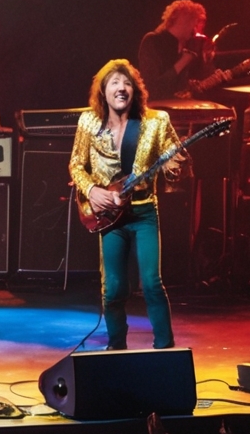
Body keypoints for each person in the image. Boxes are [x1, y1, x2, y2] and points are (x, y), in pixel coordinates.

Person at [68, 58, 184, 351]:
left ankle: (166, 351)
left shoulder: (156, 122)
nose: (121, 88)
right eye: (115, 83)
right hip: (110, 217)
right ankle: (116, 349)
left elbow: (177, 163)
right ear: (103, 91)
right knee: (113, 289)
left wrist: (173, 167)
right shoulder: (88, 122)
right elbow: (76, 165)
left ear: (136, 90)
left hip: (144, 211)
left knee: (152, 283)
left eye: (127, 83)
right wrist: (91, 189)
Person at [138, 0, 207, 101]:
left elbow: (180, 90)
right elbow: (152, 90)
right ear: (185, 22)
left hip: (177, 109)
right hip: (156, 111)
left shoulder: (183, 46)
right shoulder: (152, 41)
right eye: (194, 25)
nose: (195, 31)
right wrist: (182, 62)